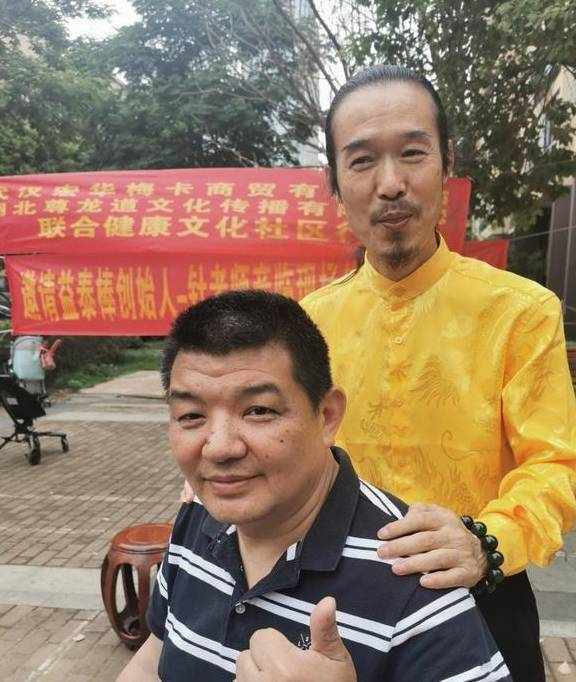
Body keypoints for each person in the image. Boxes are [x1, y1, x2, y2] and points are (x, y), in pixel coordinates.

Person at [297, 64, 576, 681]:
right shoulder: (307, 324)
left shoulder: (521, 311)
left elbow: (557, 466)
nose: (391, 184)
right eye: (362, 160)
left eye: (413, 153)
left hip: (481, 597)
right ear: (334, 183)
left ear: (447, 164)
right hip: (336, 606)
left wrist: (484, 542)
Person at [118, 290, 511, 682]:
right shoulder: (198, 516)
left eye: (258, 410)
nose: (219, 448)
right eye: (190, 415)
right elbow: (155, 656)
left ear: (327, 415)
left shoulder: (415, 572)